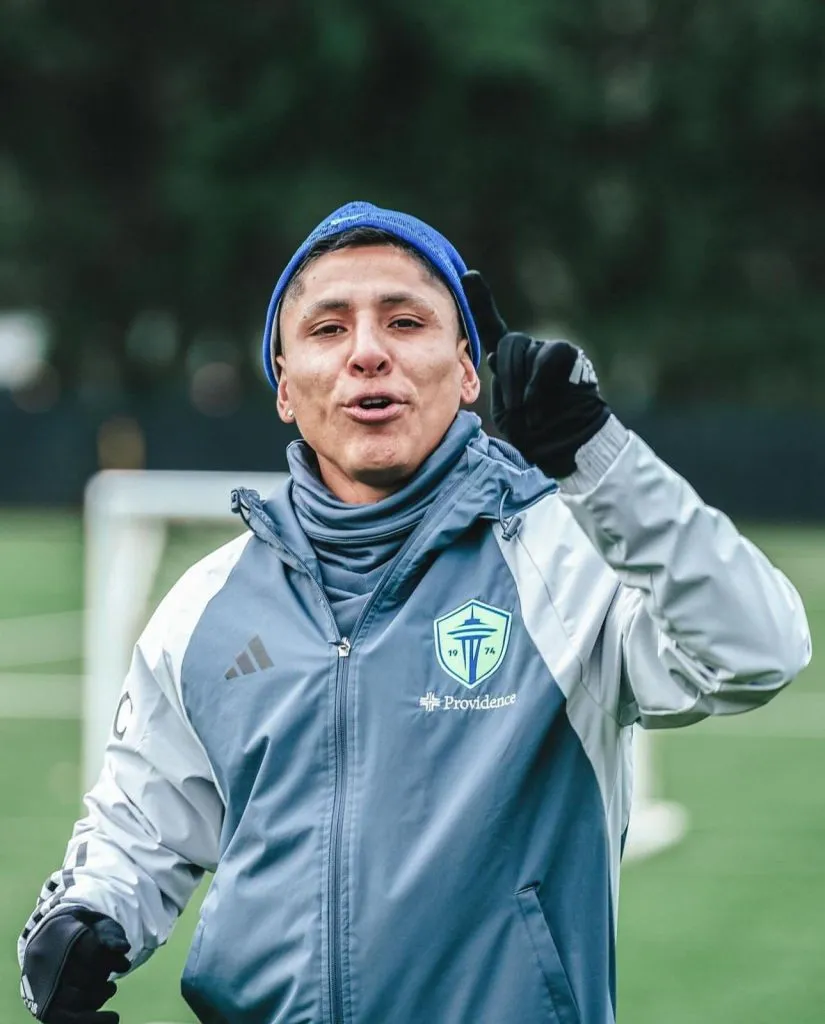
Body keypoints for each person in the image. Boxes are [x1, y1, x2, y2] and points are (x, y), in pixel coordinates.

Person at [19, 201, 811, 1024]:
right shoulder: (205, 605)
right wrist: (86, 915)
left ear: (468, 372)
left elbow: (756, 649)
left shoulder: (565, 561)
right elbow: (144, 827)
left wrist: (595, 457)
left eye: (405, 321)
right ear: (285, 388)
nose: (367, 352)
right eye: (328, 329)